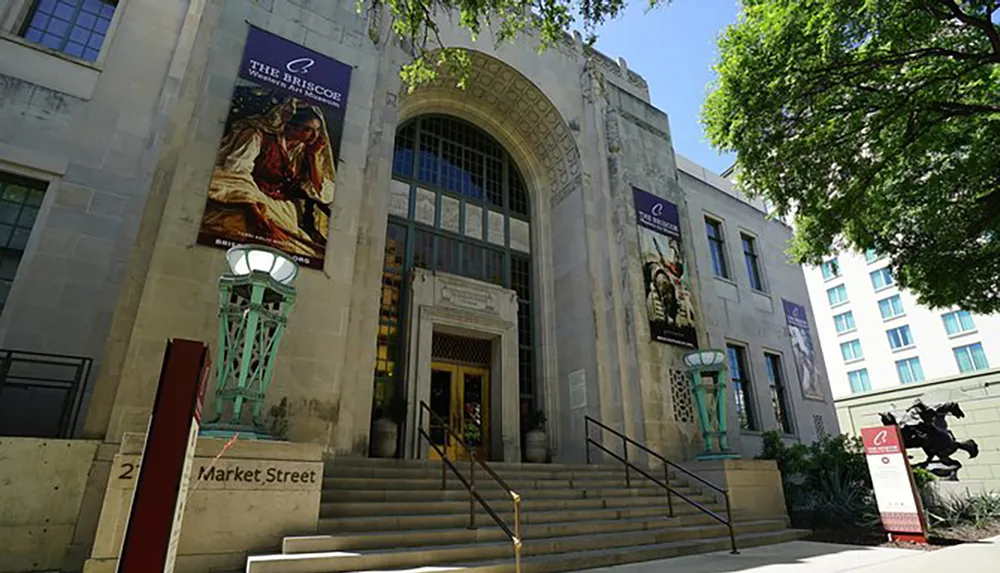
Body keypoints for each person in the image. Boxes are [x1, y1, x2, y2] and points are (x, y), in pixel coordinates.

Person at [204, 96, 336, 255]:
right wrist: (259, 216)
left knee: (296, 249)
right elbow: (236, 175)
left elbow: (321, 193)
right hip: (249, 199)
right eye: (307, 129)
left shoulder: (303, 150)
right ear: (289, 125)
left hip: (282, 208)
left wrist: (314, 156)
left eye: (317, 130)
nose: (315, 137)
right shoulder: (257, 135)